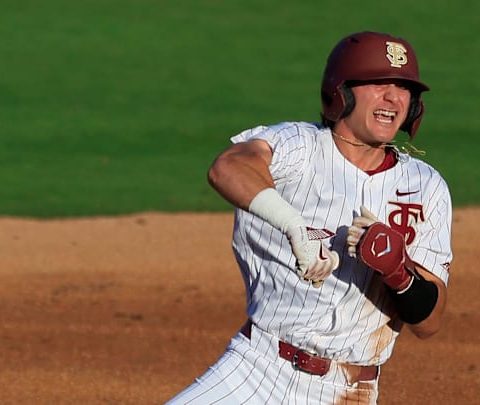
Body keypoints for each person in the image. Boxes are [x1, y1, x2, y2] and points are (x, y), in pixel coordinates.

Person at [165, 31, 453, 405]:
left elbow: (429, 323)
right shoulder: (299, 147)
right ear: (342, 92)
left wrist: (398, 271)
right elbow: (228, 167)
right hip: (257, 371)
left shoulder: (424, 186)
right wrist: (293, 225)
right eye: (378, 83)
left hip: (350, 391)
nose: (393, 97)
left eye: (403, 88)